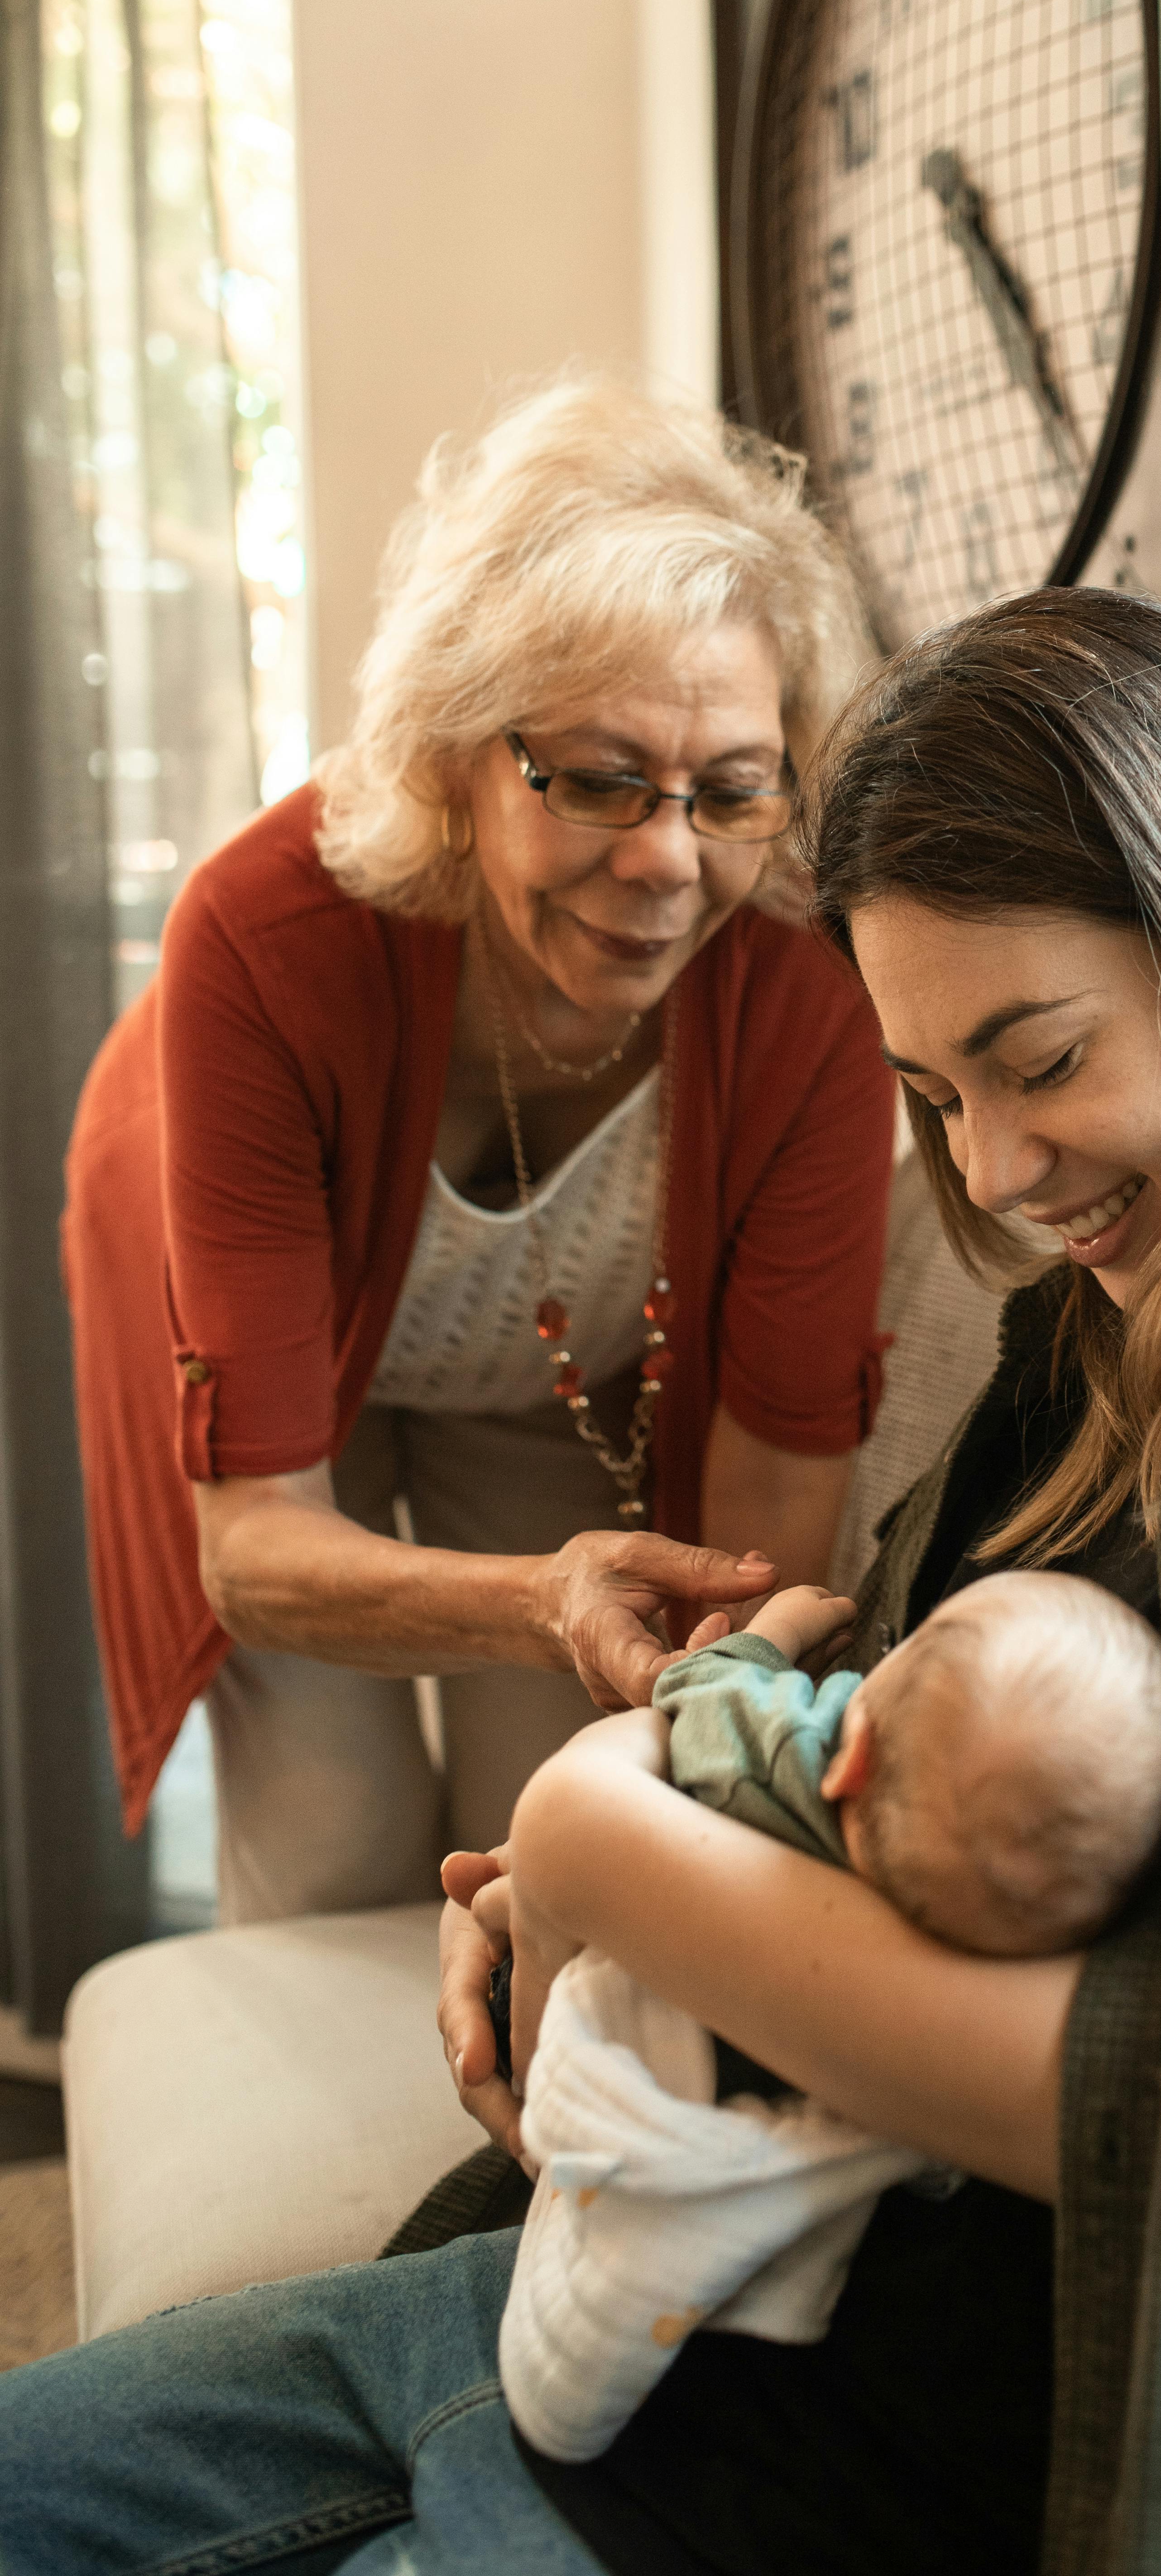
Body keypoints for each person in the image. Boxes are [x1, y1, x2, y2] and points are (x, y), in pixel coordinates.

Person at [9, 587, 1161, 2575]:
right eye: (933, 1093)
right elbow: (828, 1731)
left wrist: (586, 1837)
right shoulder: (1091, 1357)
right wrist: (575, 1925)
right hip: (597, 2317)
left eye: (1038, 1058)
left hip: (827, 2478)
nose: (991, 1172)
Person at [62, 374, 898, 1917]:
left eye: (728, 790)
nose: (663, 861)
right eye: (594, 778)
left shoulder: (811, 983)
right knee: (334, 1836)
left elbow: (768, 1525)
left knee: (571, 1807)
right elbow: (256, 1546)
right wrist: (542, 1597)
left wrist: (683, 1793)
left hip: (552, 1377)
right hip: (266, 1345)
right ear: (456, 755)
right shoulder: (262, 937)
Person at [499, 1571, 1161, 2464]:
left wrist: (778, 1632)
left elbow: (700, 1690)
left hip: (653, 2044)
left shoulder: (793, 1752)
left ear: (854, 1750)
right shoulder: (1020, 1933)